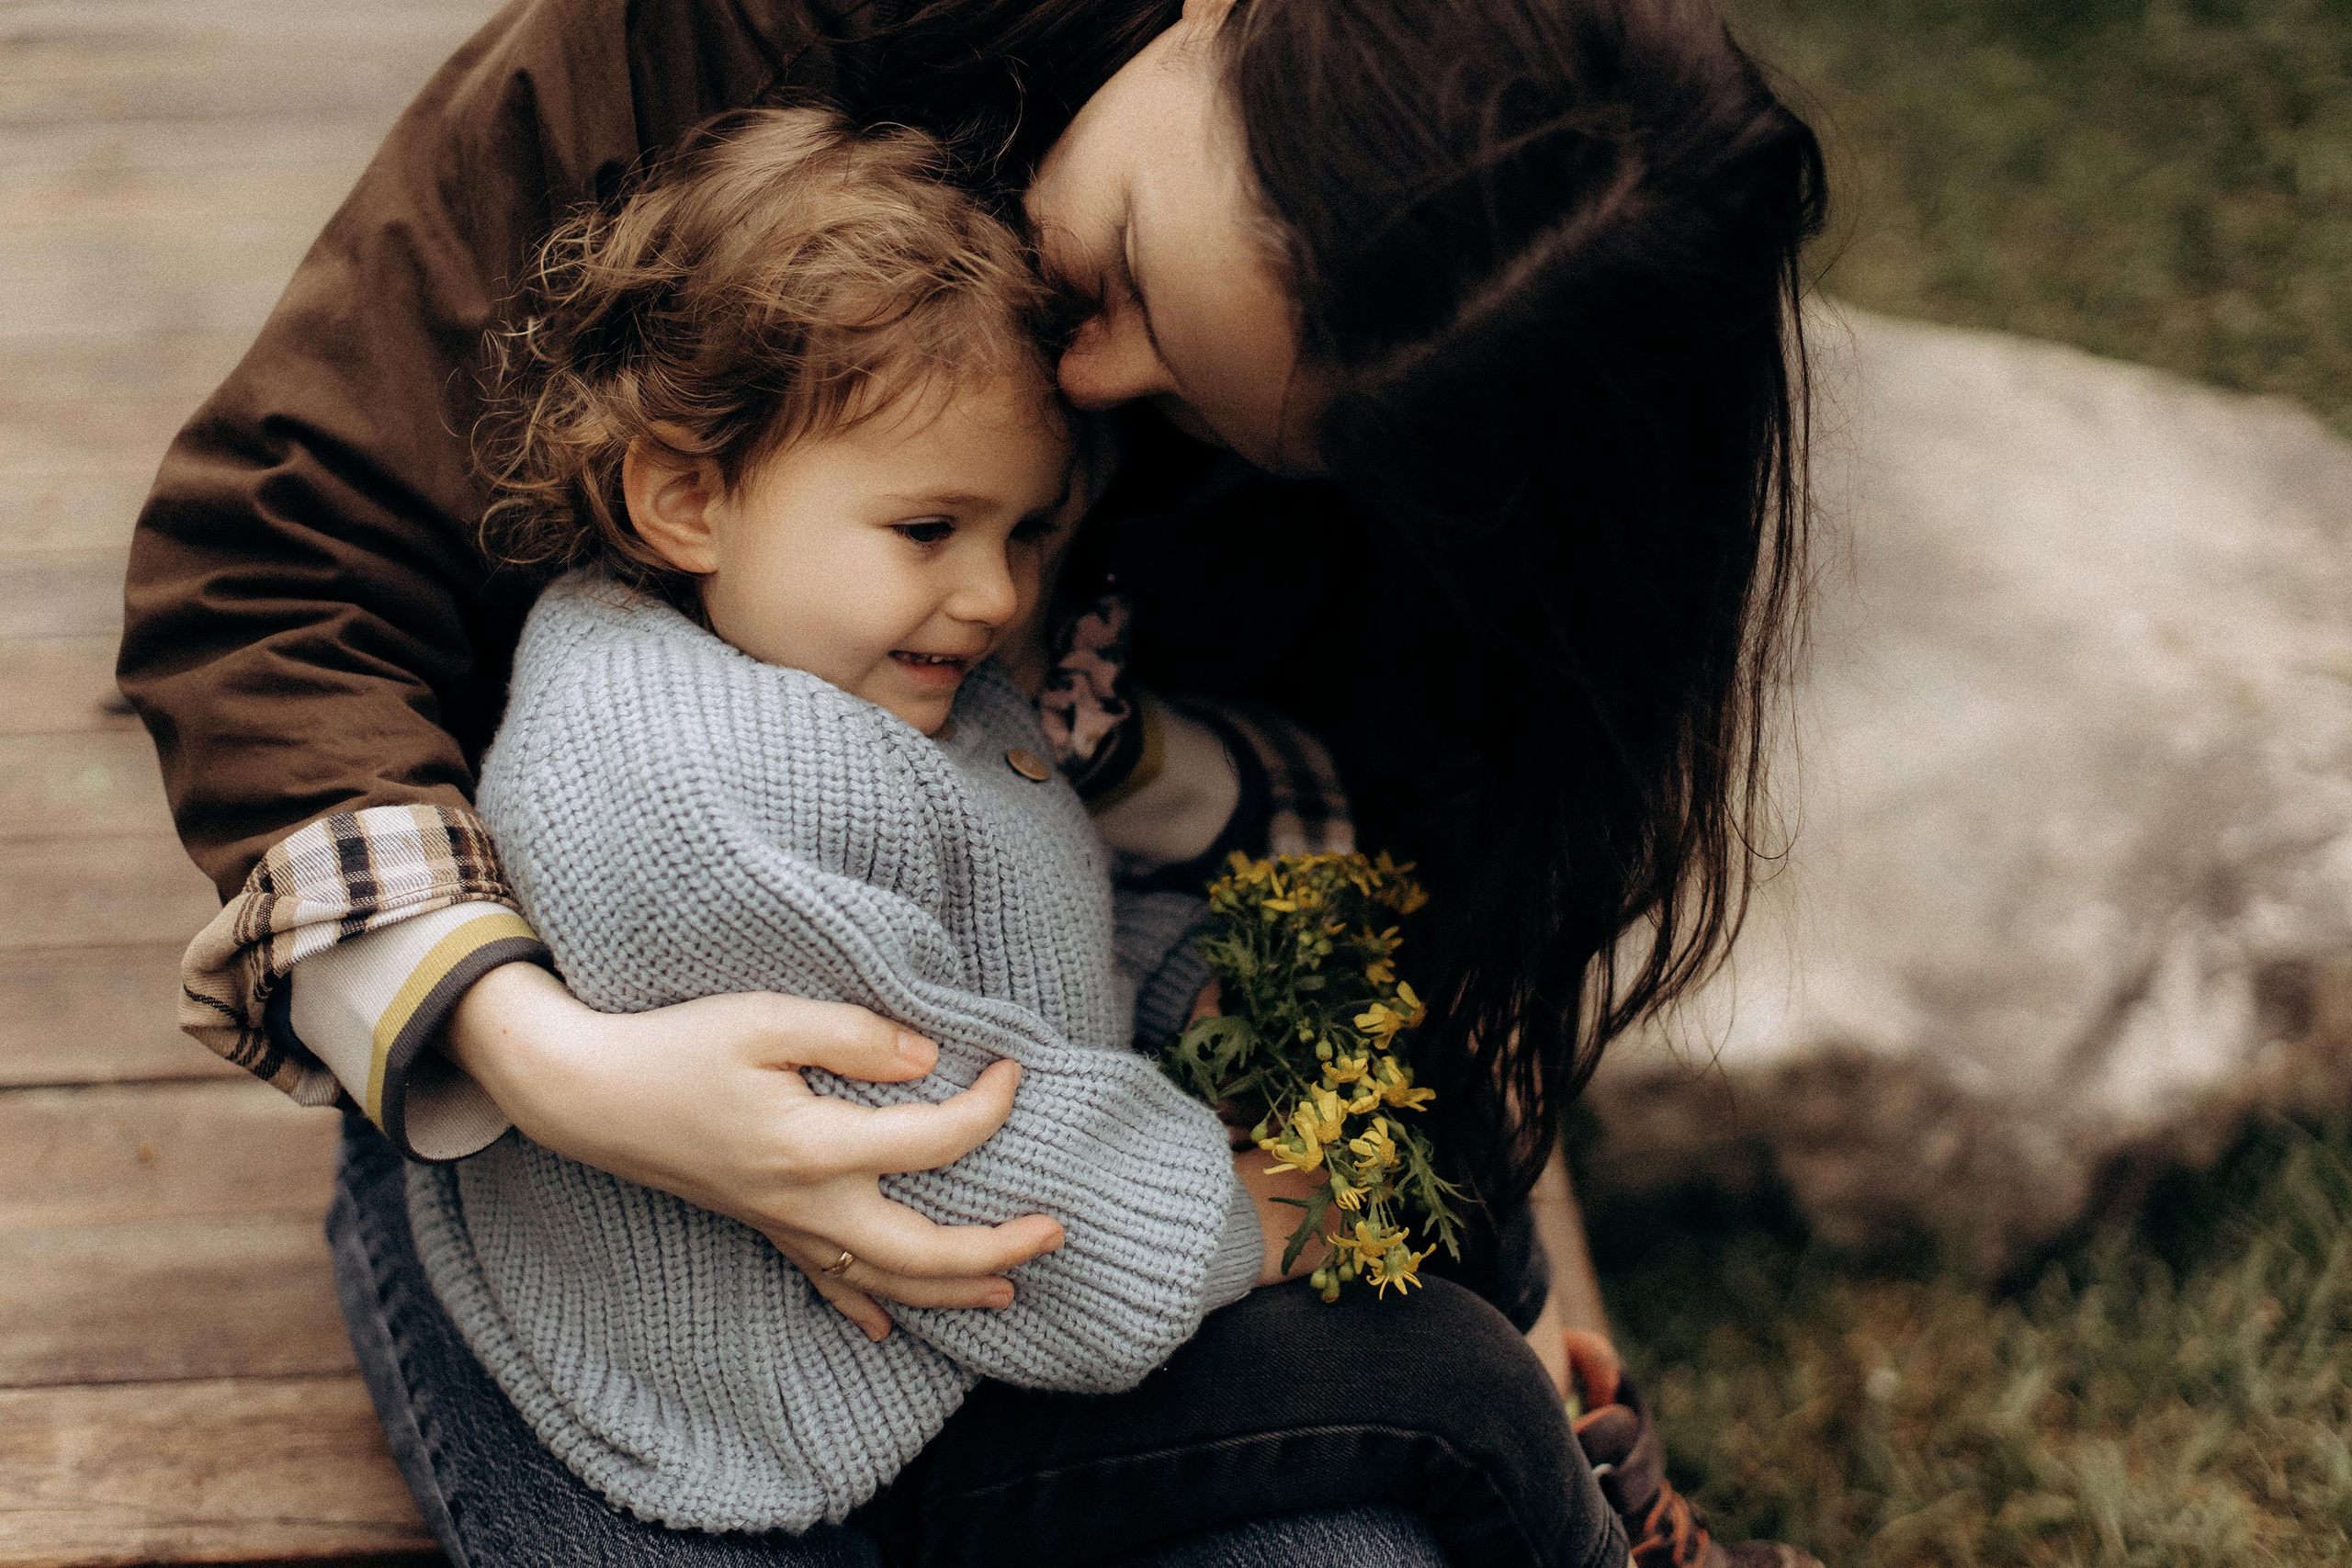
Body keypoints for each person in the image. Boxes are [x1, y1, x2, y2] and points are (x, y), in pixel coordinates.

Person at [120, 0, 1826, 1563]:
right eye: (1133, 285)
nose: (1089, 390)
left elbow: (1345, 856)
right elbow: (274, 572)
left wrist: (1476, 1265)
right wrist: (532, 1054)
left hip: (1088, 1167)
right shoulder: (725, 41)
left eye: (1227, 426)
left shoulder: (1445, 391)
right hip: (617, 1235)